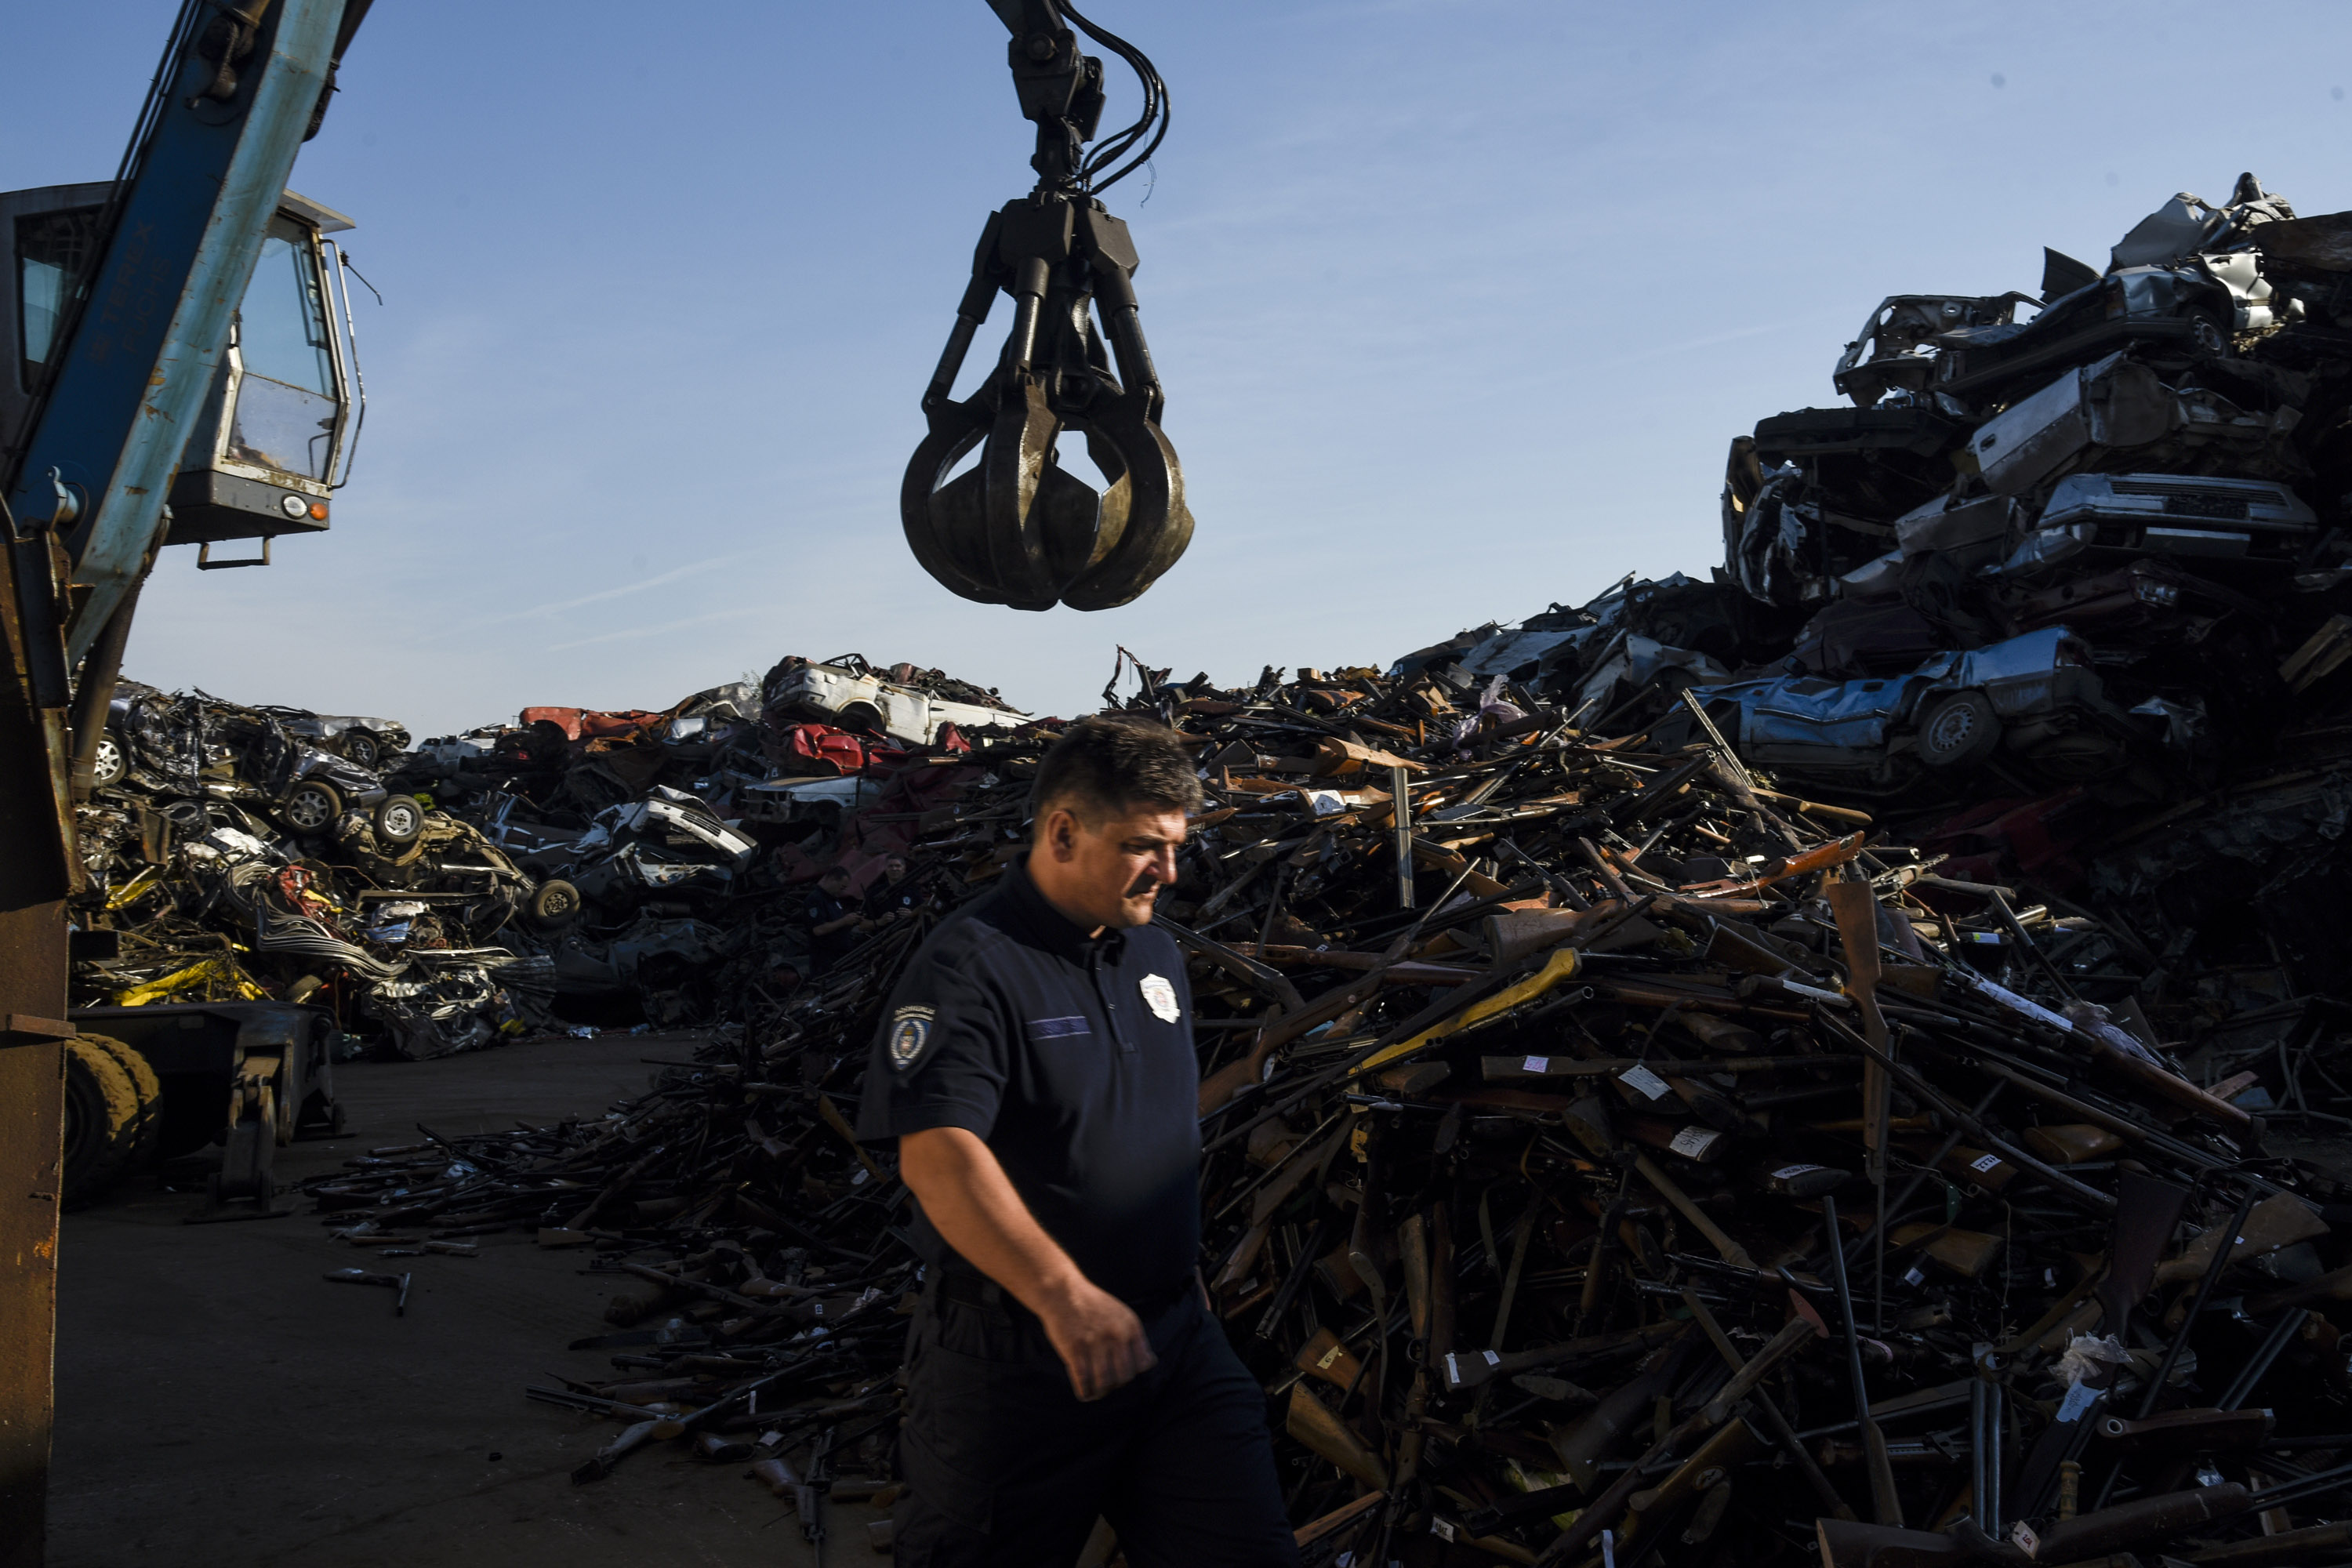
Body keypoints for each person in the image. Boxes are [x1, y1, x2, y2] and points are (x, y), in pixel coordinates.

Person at [856, 716, 1297, 1567]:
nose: (1169, 871)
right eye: (1143, 845)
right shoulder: (972, 967)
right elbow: (938, 1153)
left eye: (1175, 845)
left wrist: (1181, 1275)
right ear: (1063, 830)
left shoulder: (1155, 956)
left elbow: (1147, 1122)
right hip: (1015, 1365)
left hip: (1171, 1343)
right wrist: (1065, 1294)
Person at [804, 866, 867, 974]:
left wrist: (852, 919)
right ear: (832, 879)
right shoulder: (815, 899)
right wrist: (844, 921)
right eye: (842, 887)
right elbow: (818, 930)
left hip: (839, 956)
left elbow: (837, 922)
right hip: (825, 960)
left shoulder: (834, 900)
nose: (842, 891)